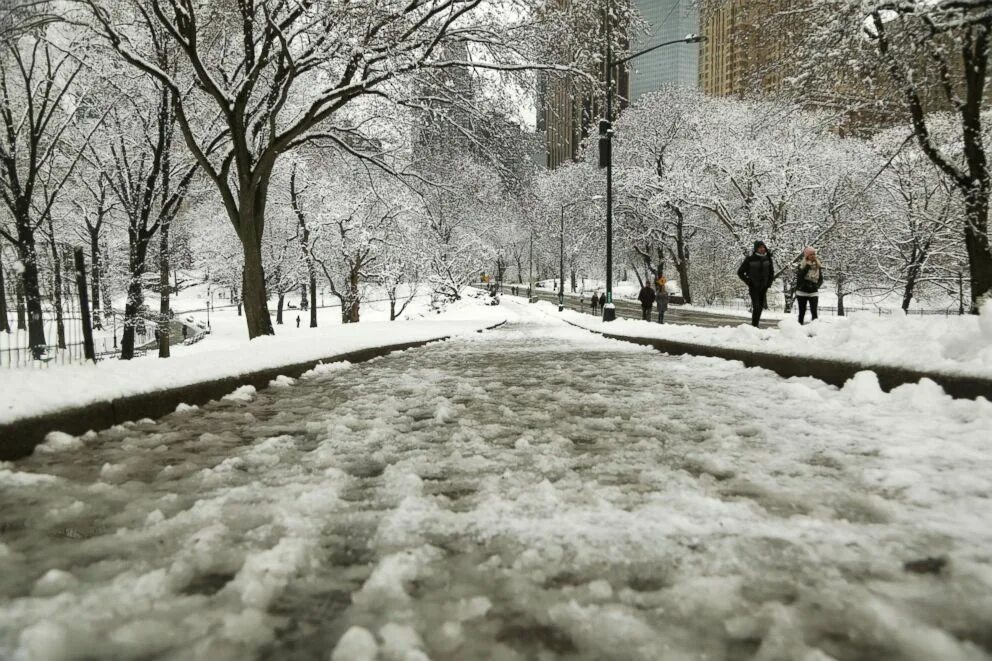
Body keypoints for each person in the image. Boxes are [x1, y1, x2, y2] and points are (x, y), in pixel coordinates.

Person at [737, 240, 775, 327]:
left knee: (760, 307)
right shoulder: (750, 259)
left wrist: (769, 283)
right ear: (756, 249)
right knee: (756, 307)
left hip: (764, 287)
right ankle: (754, 326)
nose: (762, 249)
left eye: (763, 247)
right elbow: (740, 272)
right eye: (760, 247)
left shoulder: (768, 259)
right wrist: (749, 282)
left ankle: (755, 324)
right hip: (753, 287)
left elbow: (771, 272)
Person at [795, 246, 823, 324]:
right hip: (802, 291)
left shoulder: (818, 265)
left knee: (814, 312)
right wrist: (808, 266)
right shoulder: (802, 265)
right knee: (802, 312)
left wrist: (817, 286)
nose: (813, 256)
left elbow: (820, 278)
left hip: (813, 291)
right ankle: (799, 328)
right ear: (807, 255)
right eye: (811, 254)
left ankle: (815, 328)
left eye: (814, 254)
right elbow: (800, 277)